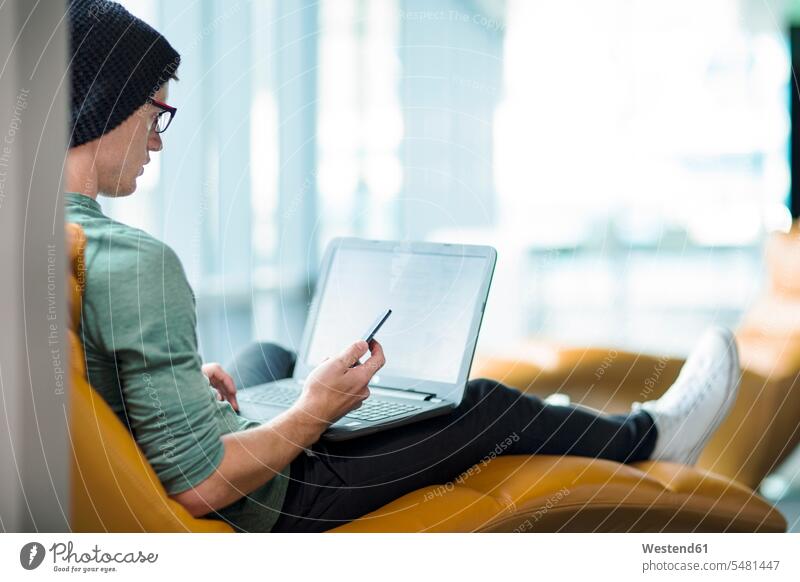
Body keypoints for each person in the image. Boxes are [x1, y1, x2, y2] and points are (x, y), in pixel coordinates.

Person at [63, 0, 741, 533]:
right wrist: (314, 412)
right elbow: (203, 483)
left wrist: (178, 388)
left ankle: (540, 425)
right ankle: (652, 435)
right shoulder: (133, 259)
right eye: (155, 109)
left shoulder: (49, 234)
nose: (158, 135)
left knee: (269, 355)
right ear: (107, 102)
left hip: (187, 462)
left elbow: (99, 388)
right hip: (269, 507)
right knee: (480, 406)